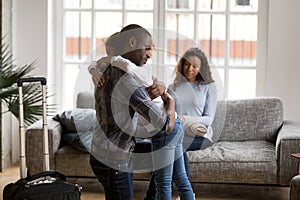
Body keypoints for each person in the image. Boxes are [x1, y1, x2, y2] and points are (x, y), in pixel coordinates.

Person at [89, 24, 194, 200]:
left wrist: (160, 86)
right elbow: (165, 125)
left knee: (169, 156)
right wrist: (171, 103)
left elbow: (140, 78)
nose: (149, 54)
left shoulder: (105, 70)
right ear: (131, 42)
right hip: (115, 160)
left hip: (101, 153)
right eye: (146, 48)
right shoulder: (128, 81)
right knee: (167, 159)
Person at [168, 47, 218, 181]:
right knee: (168, 144)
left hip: (201, 135)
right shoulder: (172, 88)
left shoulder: (209, 87)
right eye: (186, 64)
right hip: (178, 133)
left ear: (201, 68)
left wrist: (184, 119)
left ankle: (185, 192)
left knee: (177, 145)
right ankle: (158, 192)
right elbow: (167, 114)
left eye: (195, 66)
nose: (190, 68)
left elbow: (209, 119)